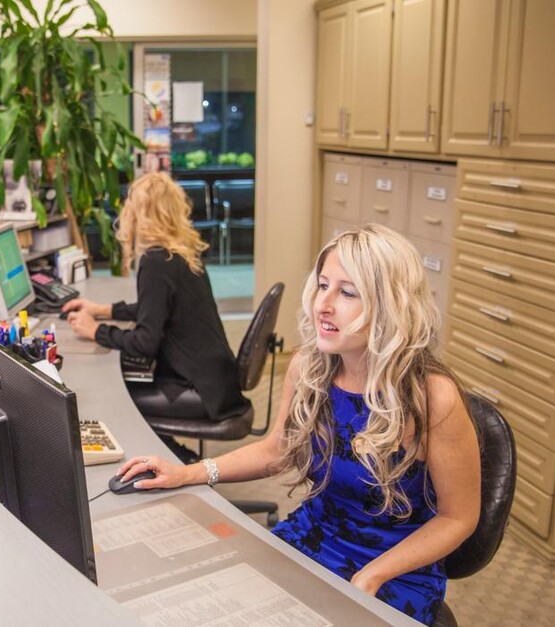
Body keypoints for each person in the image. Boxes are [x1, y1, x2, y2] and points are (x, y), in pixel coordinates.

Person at [115, 224, 482, 624]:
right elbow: (278, 450)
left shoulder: (432, 397)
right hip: (313, 535)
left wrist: (371, 575)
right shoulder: (310, 368)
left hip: (394, 565)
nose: (322, 304)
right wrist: (189, 473)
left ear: (390, 304)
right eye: (323, 285)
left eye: (347, 292)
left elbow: (458, 517)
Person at [61, 173, 247, 462]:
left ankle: (183, 463)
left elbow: (146, 341)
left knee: (115, 399)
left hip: (200, 391)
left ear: (138, 215)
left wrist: (96, 331)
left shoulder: (155, 262)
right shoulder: (181, 253)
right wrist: (105, 310)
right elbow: (157, 309)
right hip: (216, 381)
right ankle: (180, 458)